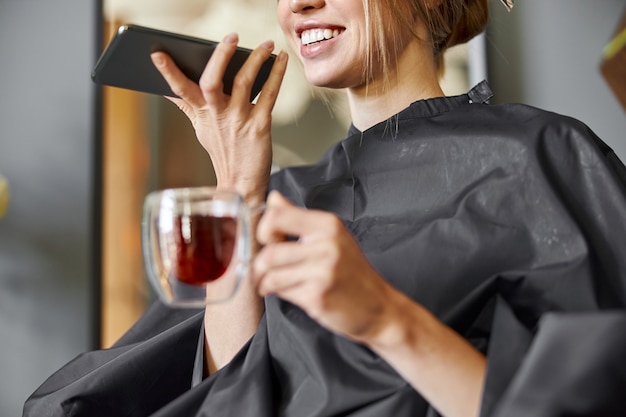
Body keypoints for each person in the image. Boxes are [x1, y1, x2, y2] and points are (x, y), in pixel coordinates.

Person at [24, 0, 626, 416]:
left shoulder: (543, 155)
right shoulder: (279, 198)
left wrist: (388, 319)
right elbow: (232, 395)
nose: (298, 5)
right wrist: (236, 186)